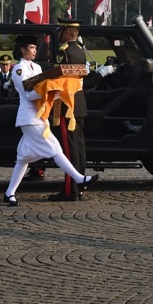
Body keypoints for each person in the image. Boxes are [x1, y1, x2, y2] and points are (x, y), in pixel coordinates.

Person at [2, 35, 97, 206]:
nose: (35, 51)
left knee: (23, 158)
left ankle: (9, 193)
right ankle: (78, 178)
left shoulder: (37, 67)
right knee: (55, 148)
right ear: (23, 49)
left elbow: (46, 86)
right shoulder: (19, 70)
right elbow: (28, 95)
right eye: (32, 47)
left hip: (40, 116)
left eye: (35, 48)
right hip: (29, 117)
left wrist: (58, 89)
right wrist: (50, 89)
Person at [50, 18, 89, 201]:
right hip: (79, 102)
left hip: (67, 104)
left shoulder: (64, 51)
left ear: (66, 32)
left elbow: (57, 78)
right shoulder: (80, 51)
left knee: (69, 149)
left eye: (61, 31)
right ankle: (79, 185)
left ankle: (70, 189)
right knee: (79, 147)